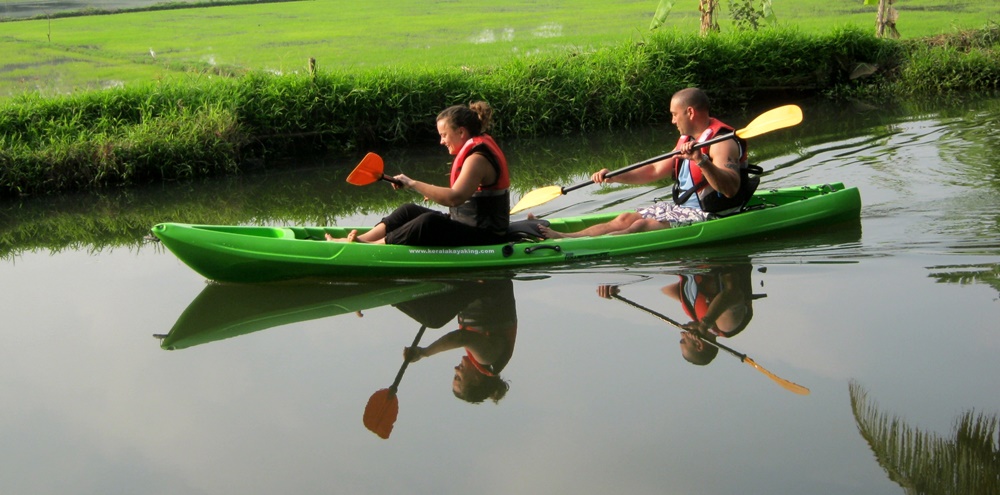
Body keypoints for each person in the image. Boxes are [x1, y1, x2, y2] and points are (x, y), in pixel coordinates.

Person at [540, 87, 758, 239]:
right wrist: (615, 176)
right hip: (684, 210)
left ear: (689, 112)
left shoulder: (723, 142)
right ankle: (565, 237)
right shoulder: (687, 140)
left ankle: (582, 246)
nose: (672, 121)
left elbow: (730, 189)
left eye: (674, 115)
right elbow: (654, 169)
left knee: (641, 226)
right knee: (626, 218)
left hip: (714, 215)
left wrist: (700, 160)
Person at [327, 101, 510, 246]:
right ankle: (363, 239)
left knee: (428, 222)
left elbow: (454, 198)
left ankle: (373, 246)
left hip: (486, 235)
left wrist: (413, 183)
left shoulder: (477, 159)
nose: (441, 141)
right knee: (408, 210)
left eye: (444, 135)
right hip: (466, 224)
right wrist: (425, 190)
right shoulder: (474, 152)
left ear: (461, 132)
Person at [395, 279, 517, 404]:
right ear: (475, 380)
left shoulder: (485, 360)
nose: (455, 369)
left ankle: (398, 286)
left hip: (472, 287)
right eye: (458, 377)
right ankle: (392, 292)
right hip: (485, 283)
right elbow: (460, 338)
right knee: (433, 319)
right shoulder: (487, 358)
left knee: (431, 307)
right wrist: (424, 352)